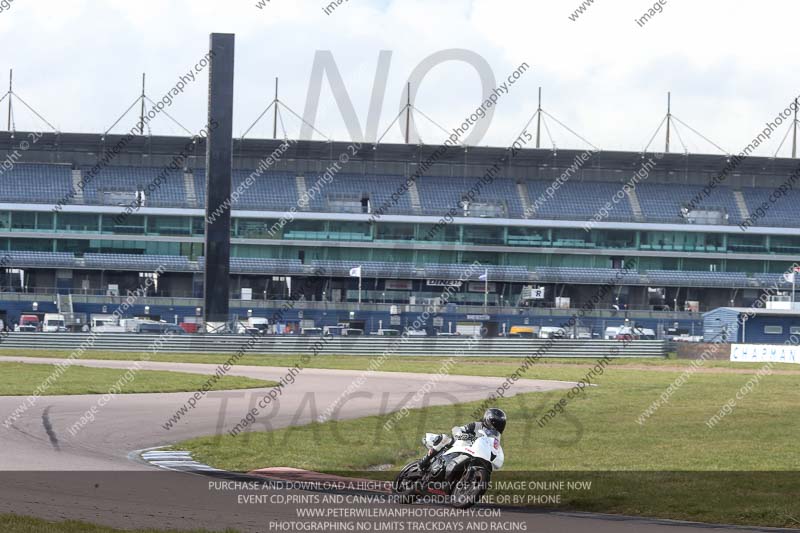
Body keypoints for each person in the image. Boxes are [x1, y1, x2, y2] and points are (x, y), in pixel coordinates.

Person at [419, 408, 507, 469]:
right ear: (488, 420)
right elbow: (457, 429)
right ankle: (424, 461)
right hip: (460, 445)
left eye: (499, 424)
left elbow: (494, 450)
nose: (496, 426)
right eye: (495, 423)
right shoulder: (476, 425)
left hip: (475, 454)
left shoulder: (494, 438)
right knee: (445, 439)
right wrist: (462, 435)